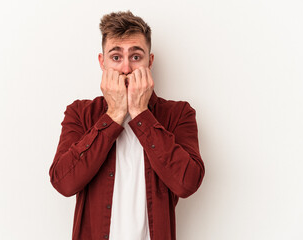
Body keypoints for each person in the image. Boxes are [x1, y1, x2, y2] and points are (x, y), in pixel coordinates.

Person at [49, 10, 205, 240]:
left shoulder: (178, 114)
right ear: (102, 62)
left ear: (150, 62)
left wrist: (141, 113)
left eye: (135, 57)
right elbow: (64, 183)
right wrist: (114, 115)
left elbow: (187, 183)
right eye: (115, 57)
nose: (125, 69)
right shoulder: (80, 113)